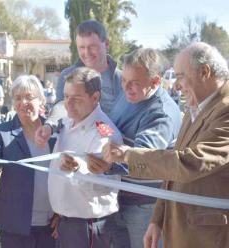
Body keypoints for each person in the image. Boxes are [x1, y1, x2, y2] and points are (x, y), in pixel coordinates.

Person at [99, 42, 229, 248]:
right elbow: (172, 173)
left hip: (208, 236)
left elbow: (190, 163)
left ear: (204, 72)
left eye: (180, 76)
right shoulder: (195, 106)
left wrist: (126, 155)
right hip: (179, 227)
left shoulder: (225, 111)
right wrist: (157, 219)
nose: (176, 85)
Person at [89, 48, 181, 248]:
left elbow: (144, 162)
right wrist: (93, 127)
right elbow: (111, 126)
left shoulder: (161, 114)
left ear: (155, 82)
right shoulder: (129, 95)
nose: (126, 87)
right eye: (124, 80)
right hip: (120, 198)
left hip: (145, 206)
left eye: (134, 83)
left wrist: (107, 165)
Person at [0, 75, 57, 248]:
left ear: (41, 100)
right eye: (18, 98)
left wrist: (62, 213)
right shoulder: (2, 132)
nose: (23, 102)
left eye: (29, 97)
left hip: (50, 225)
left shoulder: (55, 133)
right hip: (15, 226)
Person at [47, 67, 123, 248]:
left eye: (76, 99)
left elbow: (103, 187)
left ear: (95, 98)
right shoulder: (68, 121)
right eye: (66, 96)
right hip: (67, 222)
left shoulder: (104, 135)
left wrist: (77, 170)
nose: (68, 104)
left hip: (87, 226)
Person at [55, 20, 122, 115]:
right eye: (82, 47)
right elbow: (59, 110)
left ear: (106, 44)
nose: (87, 53)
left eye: (92, 46)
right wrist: (49, 125)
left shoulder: (123, 80)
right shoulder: (67, 76)